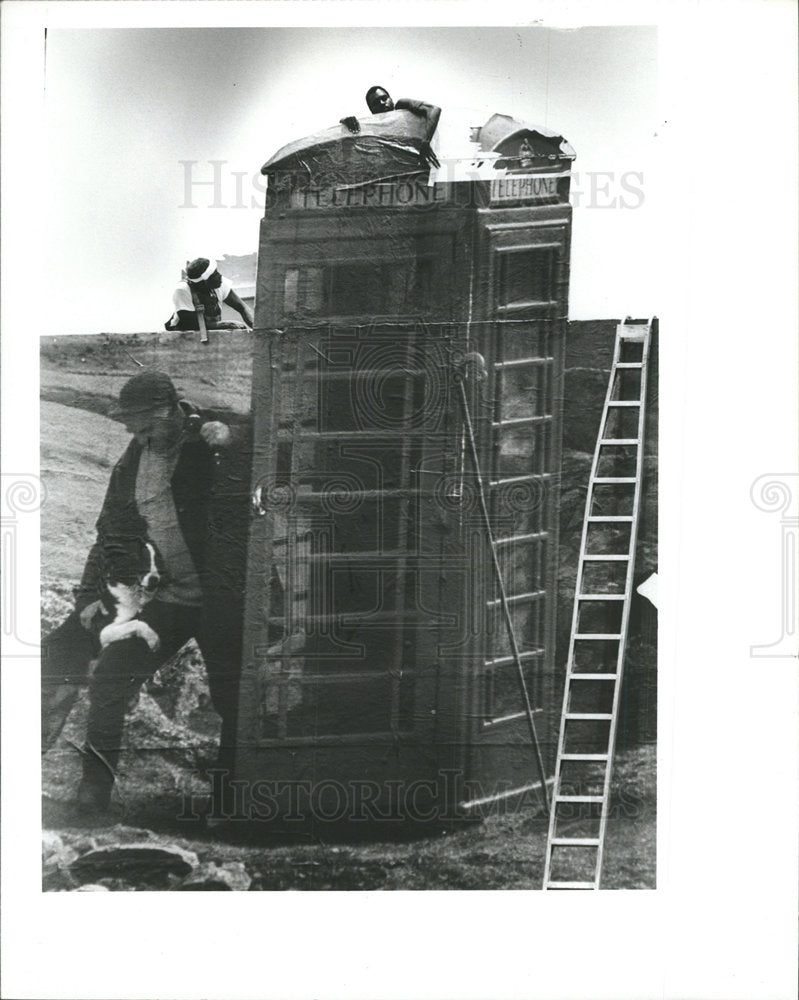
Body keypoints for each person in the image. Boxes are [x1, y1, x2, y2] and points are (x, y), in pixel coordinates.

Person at [41, 370, 253, 816]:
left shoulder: (214, 434)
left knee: (232, 698)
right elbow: (112, 532)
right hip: (172, 599)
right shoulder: (135, 459)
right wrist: (92, 597)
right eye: (133, 430)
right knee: (109, 679)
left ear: (172, 410)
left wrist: (236, 438)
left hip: (225, 598)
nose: (141, 438)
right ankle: (93, 795)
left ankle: (228, 801)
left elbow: (277, 447)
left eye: (148, 428)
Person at [339, 86, 441, 168]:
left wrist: (426, 142)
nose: (382, 103)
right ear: (372, 110)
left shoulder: (401, 106)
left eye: (384, 98)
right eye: (376, 103)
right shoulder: (374, 126)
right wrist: (346, 120)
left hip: (423, 162)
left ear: (391, 99)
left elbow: (434, 109)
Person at [165, 257, 254, 332]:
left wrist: (257, 326)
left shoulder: (219, 283)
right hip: (183, 336)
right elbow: (191, 325)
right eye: (214, 275)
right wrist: (226, 324)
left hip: (209, 336)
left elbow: (242, 307)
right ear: (203, 282)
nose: (220, 276)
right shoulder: (182, 290)